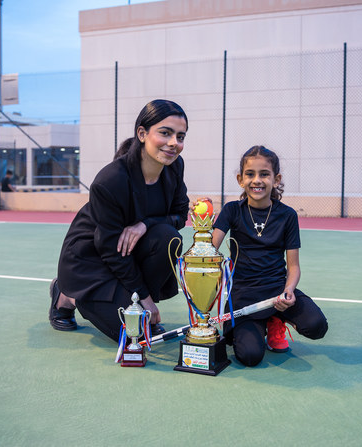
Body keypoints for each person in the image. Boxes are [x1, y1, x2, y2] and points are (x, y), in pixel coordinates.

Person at [49, 99, 190, 342]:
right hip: (91, 259)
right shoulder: (111, 180)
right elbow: (110, 248)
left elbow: (180, 215)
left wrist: (146, 224)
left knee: (169, 238)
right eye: (165, 133)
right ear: (142, 133)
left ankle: (138, 306)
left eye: (180, 136)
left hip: (128, 254)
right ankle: (66, 295)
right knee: (133, 335)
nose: (173, 143)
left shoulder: (174, 167)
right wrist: (144, 297)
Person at [210, 145, 328, 367]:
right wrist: (202, 245)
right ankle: (263, 323)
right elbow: (210, 249)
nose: (257, 180)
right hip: (244, 294)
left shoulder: (287, 215)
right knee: (250, 356)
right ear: (240, 179)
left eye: (264, 174)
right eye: (250, 174)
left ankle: (277, 318)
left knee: (316, 325)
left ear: (276, 178)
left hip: (276, 291)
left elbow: (293, 266)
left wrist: (288, 291)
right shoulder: (232, 210)